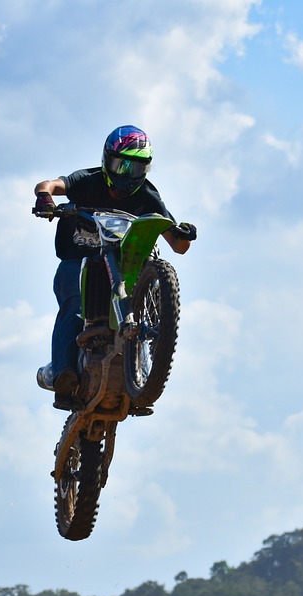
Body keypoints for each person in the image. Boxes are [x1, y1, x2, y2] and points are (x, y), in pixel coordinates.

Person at [32, 125, 196, 408]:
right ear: (107, 160)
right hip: (78, 259)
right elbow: (49, 185)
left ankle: (146, 370)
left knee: (149, 270)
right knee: (74, 304)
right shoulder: (88, 179)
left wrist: (183, 233)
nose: (126, 174)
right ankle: (64, 375)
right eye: (122, 165)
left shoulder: (147, 195)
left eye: (136, 168)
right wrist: (46, 198)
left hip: (122, 264)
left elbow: (178, 246)